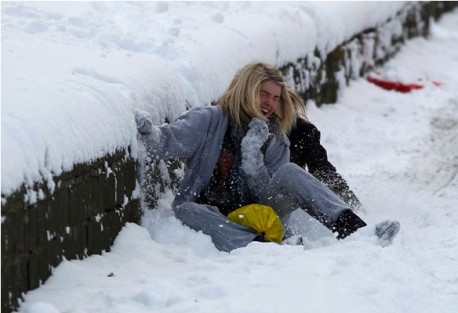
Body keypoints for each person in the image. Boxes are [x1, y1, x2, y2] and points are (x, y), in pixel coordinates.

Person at [135, 62, 399, 252]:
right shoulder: (210, 119)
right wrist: (149, 133)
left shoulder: (275, 135)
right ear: (246, 90)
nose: (270, 103)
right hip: (216, 215)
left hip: (264, 214)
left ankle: (358, 232)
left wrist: (253, 157)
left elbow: (268, 190)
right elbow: (167, 142)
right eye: (264, 94)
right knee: (186, 210)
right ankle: (264, 248)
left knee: (290, 172)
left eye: (275, 98)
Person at [287, 93, 362, 210]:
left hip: (290, 197)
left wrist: (351, 203)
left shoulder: (302, 131)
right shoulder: (252, 127)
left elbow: (321, 170)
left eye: (277, 99)